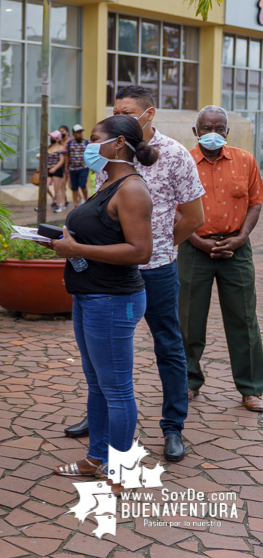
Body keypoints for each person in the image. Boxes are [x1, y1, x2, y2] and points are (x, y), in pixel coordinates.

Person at [65, 85, 204, 463]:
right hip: (106, 274)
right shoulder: (106, 163)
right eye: (116, 109)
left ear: (148, 115)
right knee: (103, 365)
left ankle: (172, 426)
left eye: (128, 110)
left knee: (168, 346)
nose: (120, 114)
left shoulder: (175, 155)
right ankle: (100, 426)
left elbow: (194, 217)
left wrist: (160, 248)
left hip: (155, 269)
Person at [49, 115, 156, 492]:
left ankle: (122, 469)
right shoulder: (108, 182)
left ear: (119, 145)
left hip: (113, 300)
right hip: (90, 295)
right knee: (97, 384)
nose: (89, 145)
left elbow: (141, 251)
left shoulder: (131, 189)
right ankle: (98, 458)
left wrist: (75, 248)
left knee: (117, 388)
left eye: (96, 139)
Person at [180, 106, 263, 411]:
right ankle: (188, 381)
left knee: (243, 318)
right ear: (195, 131)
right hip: (193, 247)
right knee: (188, 318)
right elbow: (174, 206)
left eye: (219, 128)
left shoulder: (245, 160)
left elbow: (256, 202)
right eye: (206, 128)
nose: (212, 134)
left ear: (227, 132)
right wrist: (195, 239)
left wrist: (242, 237)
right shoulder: (183, 161)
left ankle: (251, 388)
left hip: (236, 247)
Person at [65, 124, 90, 208]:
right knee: (74, 187)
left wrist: (91, 165)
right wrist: (66, 167)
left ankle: (87, 202)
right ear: (73, 134)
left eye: (81, 132)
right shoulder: (70, 143)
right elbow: (67, 155)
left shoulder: (86, 142)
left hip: (83, 167)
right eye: (77, 132)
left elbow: (89, 154)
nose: (80, 134)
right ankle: (75, 204)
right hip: (73, 168)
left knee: (83, 185)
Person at [47, 131, 68, 212]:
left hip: (57, 169)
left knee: (57, 188)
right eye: (51, 137)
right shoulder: (48, 147)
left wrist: (55, 168)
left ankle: (58, 205)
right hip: (48, 168)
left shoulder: (61, 148)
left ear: (57, 138)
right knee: (45, 186)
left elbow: (61, 160)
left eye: (53, 137)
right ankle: (53, 199)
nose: (51, 139)